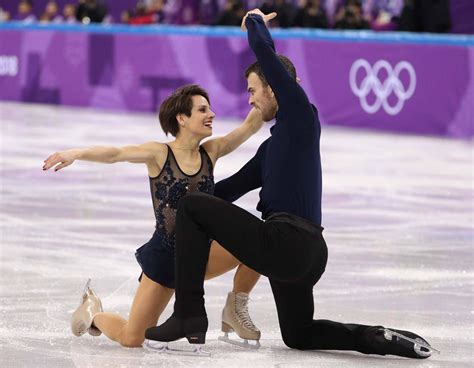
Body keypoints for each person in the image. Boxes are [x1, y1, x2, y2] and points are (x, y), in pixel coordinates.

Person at [145, 10, 436, 359]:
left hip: (287, 243)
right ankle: (376, 338)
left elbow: (266, 54)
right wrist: (174, 198)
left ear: (273, 86)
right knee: (299, 333)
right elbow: (224, 192)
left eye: (253, 91)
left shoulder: (300, 115)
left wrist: (253, 21)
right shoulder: (272, 147)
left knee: (194, 209)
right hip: (305, 253)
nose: (250, 100)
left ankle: (188, 314)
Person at [43, 84, 262, 348]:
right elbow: (116, 154)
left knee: (262, 243)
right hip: (166, 256)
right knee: (132, 339)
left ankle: (235, 308)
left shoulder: (211, 152)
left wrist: (277, 89)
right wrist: (76, 153)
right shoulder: (160, 154)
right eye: (202, 109)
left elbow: (249, 126)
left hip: (200, 254)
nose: (212, 114)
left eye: (210, 108)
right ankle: (94, 313)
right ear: (182, 118)